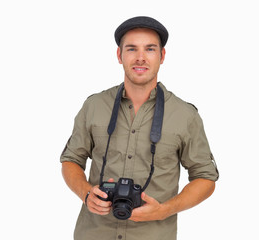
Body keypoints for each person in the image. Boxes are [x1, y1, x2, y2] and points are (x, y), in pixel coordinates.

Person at [60, 16, 219, 240]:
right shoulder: (94, 106)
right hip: (93, 233)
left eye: (150, 49)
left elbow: (205, 177)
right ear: (119, 55)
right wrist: (85, 192)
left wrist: (165, 209)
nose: (140, 58)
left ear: (162, 56)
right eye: (132, 49)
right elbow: (71, 160)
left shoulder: (185, 115)